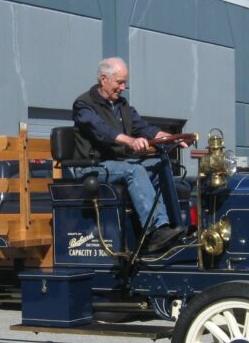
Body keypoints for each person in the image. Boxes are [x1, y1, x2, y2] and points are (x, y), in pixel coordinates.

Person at [73, 57, 184, 253]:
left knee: (158, 164)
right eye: (120, 82)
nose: (123, 87)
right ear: (103, 79)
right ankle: (155, 231)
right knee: (135, 169)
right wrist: (130, 141)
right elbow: (101, 130)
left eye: (125, 82)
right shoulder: (84, 104)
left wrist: (170, 138)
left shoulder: (122, 105)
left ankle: (173, 226)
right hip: (92, 166)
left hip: (117, 164)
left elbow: (144, 127)